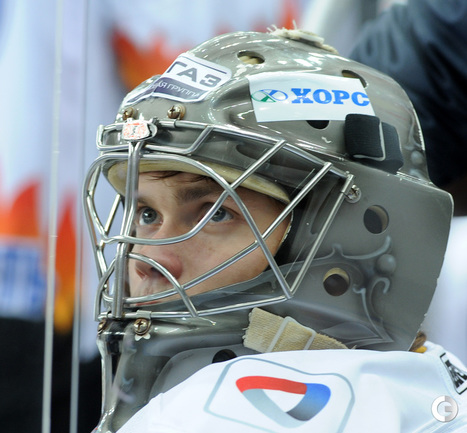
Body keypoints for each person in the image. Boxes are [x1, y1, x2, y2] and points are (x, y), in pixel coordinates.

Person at [83, 28, 467, 432]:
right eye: (147, 214)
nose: (147, 259)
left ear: (350, 236)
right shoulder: (430, 384)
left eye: (215, 214)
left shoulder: (199, 418)